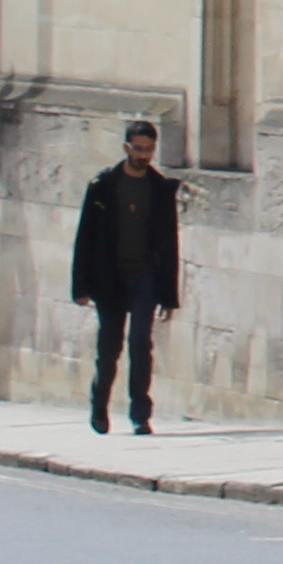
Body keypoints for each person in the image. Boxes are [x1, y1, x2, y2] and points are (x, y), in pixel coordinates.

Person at [72, 121, 184, 435]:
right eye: (138, 148)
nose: (143, 155)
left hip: (144, 276)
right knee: (109, 349)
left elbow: (169, 243)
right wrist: (80, 286)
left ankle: (140, 414)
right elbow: (86, 237)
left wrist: (169, 296)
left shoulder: (160, 189)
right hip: (110, 277)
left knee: (140, 343)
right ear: (126, 148)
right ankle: (99, 405)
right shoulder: (103, 186)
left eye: (148, 149)